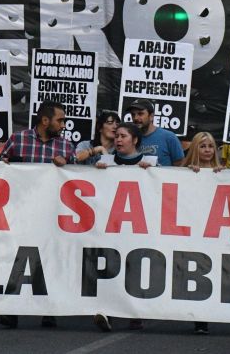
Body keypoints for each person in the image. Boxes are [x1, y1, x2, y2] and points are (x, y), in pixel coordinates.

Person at [0, 100, 74, 329]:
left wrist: (69, 163)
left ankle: (49, 309)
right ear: (45, 120)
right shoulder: (18, 139)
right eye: (60, 120)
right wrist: (6, 164)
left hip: (52, 213)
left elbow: (83, 172)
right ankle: (11, 309)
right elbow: (0, 168)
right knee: (16, 259)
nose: (63, 125)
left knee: (49, 259)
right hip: (20, 211)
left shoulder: (66, 146)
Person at [91, 122, 148, 333]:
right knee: (110, 265)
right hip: (111, 225)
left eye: (123, 136)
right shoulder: (105, 161)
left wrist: (151, 174)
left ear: (135, 140)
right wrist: (96, 173)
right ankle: (107, 312)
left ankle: (136, 313)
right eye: (117, 136)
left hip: (138, 226)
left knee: (135, 267)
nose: (118, 140)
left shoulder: (149, 162)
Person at [178, 130, 222, 335]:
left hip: (215, 231)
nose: (207, 150)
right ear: (195, 148)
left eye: (211, 146)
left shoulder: (223, 172)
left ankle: (207, 313)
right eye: (203, 146)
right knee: (195, 271)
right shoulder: (184, 171)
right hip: (193, 230)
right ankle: (199, 317)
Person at [126, 99, 184, 166]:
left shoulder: (169, 137)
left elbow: (180, 166)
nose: (135, 118)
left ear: (151, 116)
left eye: (140, 114)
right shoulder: (128, 138)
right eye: (133, 114)